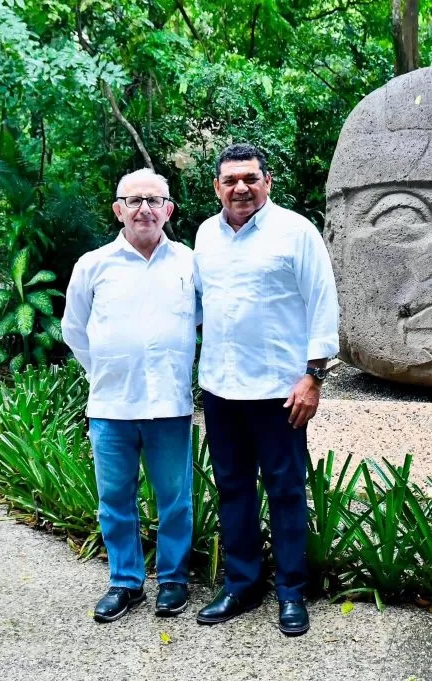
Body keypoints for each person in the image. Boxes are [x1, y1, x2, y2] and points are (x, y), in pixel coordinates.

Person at [193, 143, 339, 636]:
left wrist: (314, 376)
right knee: (232, 489)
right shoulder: (204, 236)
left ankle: (292, 593)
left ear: (267, 182)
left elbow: (322, 303)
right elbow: (198, 306)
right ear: (217, 187)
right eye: (231, 180)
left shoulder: (296, 232)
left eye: (250, 178)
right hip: (220, 388)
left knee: (285, 489)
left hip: (281, 391)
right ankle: (242, 584)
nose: (241, 187)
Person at [62, 168, 196, 623]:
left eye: (154, 200)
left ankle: (174, 579)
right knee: (115, 499)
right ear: (118, 209)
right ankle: (125, 582)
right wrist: (105, 370)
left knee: (175, 498)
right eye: (134, 200)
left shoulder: (188, 263)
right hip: (111, 406)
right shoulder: (93, 264)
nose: (144, 208)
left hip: (169, 406)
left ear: (168, 210)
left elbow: (205, 321)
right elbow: (74, 329)